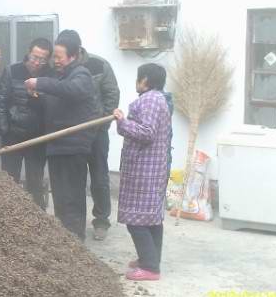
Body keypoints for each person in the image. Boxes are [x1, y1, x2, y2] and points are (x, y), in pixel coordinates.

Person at [24, 35, 98, 240]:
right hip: (56, 145)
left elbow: (71, 91)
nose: (54, 60)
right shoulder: (62, 77)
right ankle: (64, 239)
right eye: (54, 56)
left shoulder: (81, 75)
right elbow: (53, 101)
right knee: (60, 197)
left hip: (72, 146)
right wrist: (35, 99)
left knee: (72, 197)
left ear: (73, 56)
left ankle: (75, 238)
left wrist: (40, 82)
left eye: (59, 56)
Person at [57, 30, 120, 241]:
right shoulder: (61, 67)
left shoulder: (99, 65)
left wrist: (100, 122)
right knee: (75, 180)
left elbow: (112, 94)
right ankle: (74, 224)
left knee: (100, 176)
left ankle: (101, 220)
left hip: (97, 132)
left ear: (76, 50)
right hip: (73, 134)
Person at [114, 63, 172, 281]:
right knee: (151, 219)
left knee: (136, 220)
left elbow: (147, 133)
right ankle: (151, 258)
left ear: (145, 80)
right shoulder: (160, 99)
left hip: (144, 170)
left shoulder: (148, 100)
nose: (137, 82)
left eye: (139, 78)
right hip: (152, 169)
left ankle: (149, 267)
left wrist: (122, 121)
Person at [0, 38, 52, 209]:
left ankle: (37, 217)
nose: (37, 62)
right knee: (9, 179)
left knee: (35, 181)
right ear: (28, 52)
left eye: (42, 59)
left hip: (37, 137)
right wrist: (4, 129)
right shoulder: (12, 71)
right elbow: (1, 101)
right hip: (13, 134)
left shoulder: (49, 74)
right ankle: (10, 214)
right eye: (35, 57)